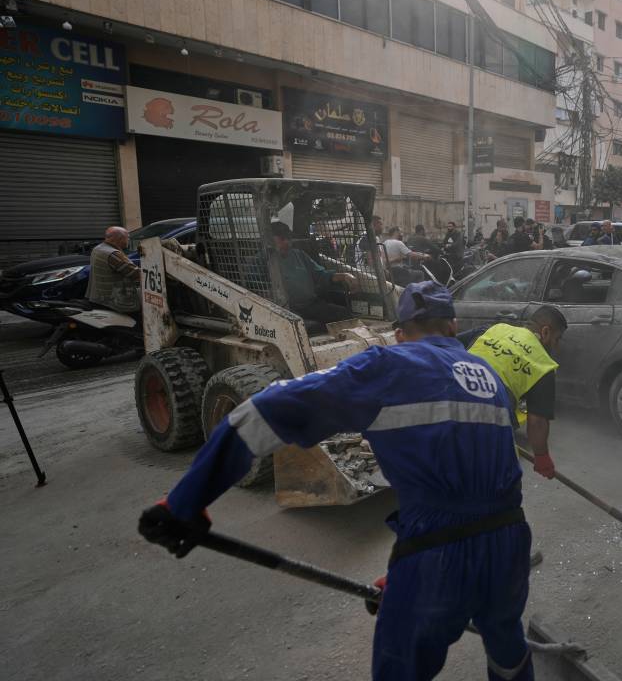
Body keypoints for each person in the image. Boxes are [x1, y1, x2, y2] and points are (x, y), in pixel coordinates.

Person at [138, 282, 534, 681]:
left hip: (435, 557)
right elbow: (471, 490)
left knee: (400, 671)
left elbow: (258, 414)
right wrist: (402, 575)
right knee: (507, 647)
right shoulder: (490, 378)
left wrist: (184, 504)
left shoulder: (387, 366)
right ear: (453, 325)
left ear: (399, 333)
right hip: (509, 541)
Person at [458, 306, 568, 481]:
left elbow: (451, 344)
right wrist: (542, 457)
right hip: (488, 423)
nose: (557, 346)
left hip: (447, 400)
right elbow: (537, 422)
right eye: (557, 339)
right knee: (497, 481)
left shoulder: (494, 329)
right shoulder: (543, 365)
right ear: (545, 331)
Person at [269, 221, 359, 324]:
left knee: (344, 314)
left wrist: (344, 276)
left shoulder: (299, 255)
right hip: (285, 310)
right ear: (270, 240)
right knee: (306, 326)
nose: (286, 242)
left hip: (310, 305)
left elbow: (320, 274)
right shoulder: (263, 260)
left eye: (287, 239)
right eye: (281, 239)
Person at [86, 225, 141, 313]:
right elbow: (136, 274)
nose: (128, 240)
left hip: (97, 297)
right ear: (120, 239)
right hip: (113, 300)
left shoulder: (98, 248)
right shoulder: (114, 254)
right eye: (127, 238)